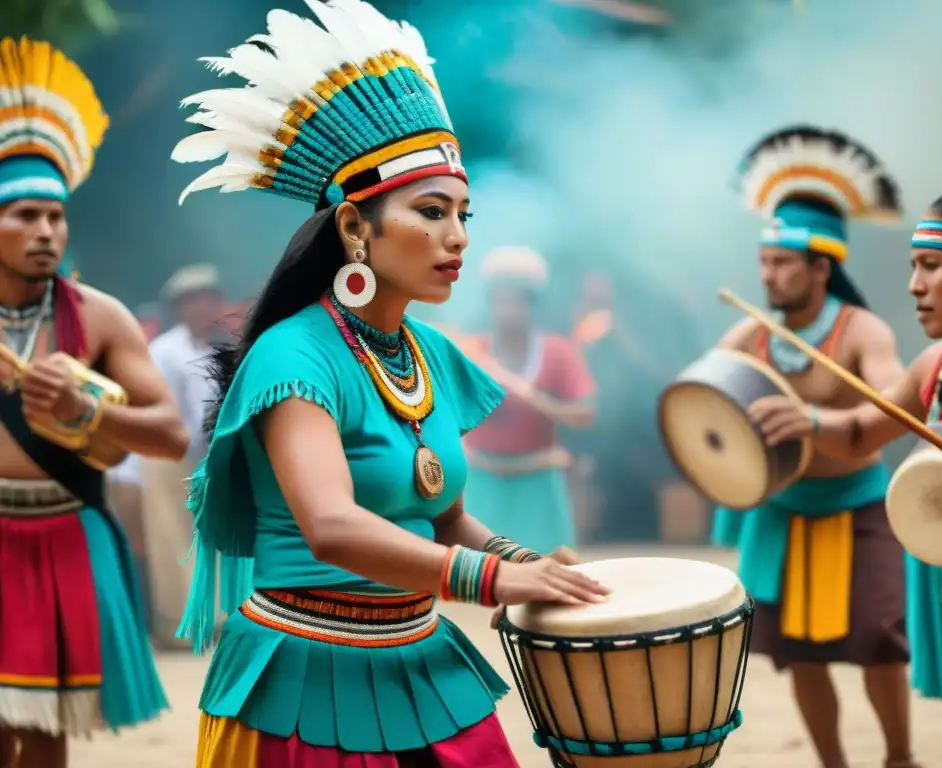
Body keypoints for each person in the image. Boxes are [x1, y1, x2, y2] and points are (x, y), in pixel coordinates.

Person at [170, 2, 609, 764]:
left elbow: (445, 518)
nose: (458, 237)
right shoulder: (292, 356)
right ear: (353, 228)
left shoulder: (430, 354)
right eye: (432, 212)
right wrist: (492, 580)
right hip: (304, 673)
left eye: (465, 214)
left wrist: (525, 562)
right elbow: (331, 527)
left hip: (420, 656)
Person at [750, 109, 942, 768]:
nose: (913, 286)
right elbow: (860, 431)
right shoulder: (937, 369)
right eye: (912, 266)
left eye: (931, 266)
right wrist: (811, 424)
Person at [0, 36, 189, 768]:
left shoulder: (100, 317)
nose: (45, 230)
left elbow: (171, 435)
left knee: (46, 734)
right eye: (23, 216)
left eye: (55, 216)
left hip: (65, 532)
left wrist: (86, 413)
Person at [712, 125, 917, 768]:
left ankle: (901, 757)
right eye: (764, 261)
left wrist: (815, 420)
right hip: (784, 508)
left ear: (822, 266)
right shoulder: (752, 333)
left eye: (783, 263)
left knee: (880, 641)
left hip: (858, 504)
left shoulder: (864, 331)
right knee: (798, 651)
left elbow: (894, 408)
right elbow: (703, 399)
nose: (767, 274)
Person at [461, 247, 596, 553]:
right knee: (482, 577)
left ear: (533, 304)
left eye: (517, 300)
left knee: (549, 569)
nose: (507, 309)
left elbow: (585, 414)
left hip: (539, 483)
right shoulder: (470, 352)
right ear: (489, 302)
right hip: (482, 483)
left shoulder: (558, 352)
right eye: (500, 299)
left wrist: (532, 396)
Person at [143, 264, 222, 648]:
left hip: (202, 458)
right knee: (173, 538)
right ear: (182, 307)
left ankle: (210, 618)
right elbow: (167, 410)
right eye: (196, 301)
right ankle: (179, 624)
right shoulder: (164, 351)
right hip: (167, 455)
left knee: (206, 538)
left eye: (210, 299)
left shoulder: (213, 348)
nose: (205, 308)